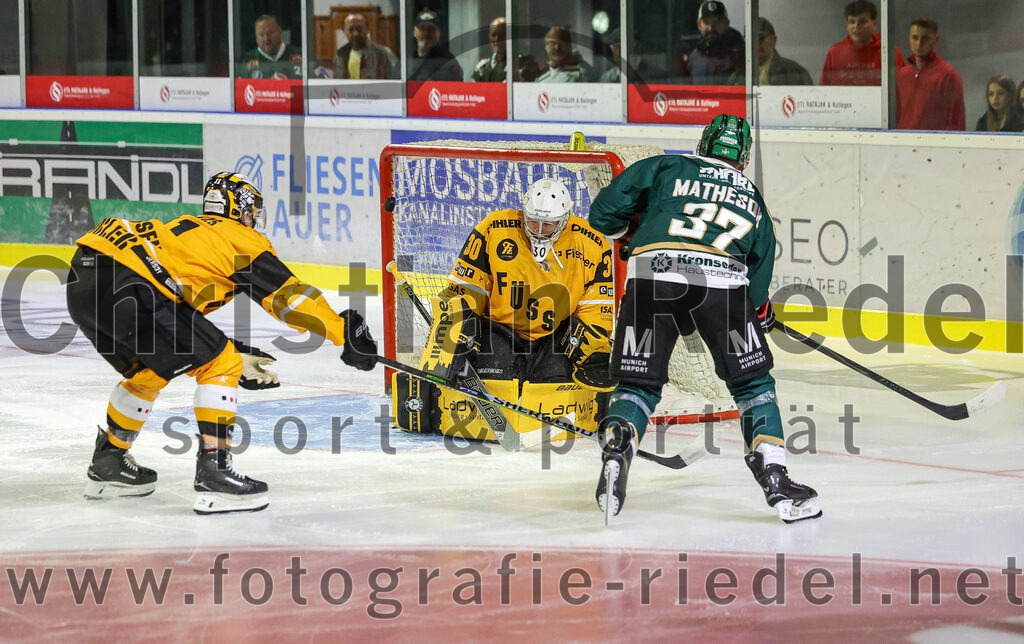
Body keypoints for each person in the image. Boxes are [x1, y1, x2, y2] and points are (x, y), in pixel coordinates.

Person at [66, 172, 378, 514]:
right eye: (251, 211)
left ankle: (109, 462)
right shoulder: (238, 238)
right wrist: (341, 330)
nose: (253, 219)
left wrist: (229, 349)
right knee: (221, 364)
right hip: (131, 283)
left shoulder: (191, 229)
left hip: (85, 277)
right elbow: (286, 297)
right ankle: (215, 473)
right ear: (240, 209)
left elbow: (176, 319)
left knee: (151, 371)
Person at [588, 114, 822, 525]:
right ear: (744, 159)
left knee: (638, 386)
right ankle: (777, 479)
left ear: (702, 145)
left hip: (652, 278)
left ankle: (619, 445)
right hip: (723, 288)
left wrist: (632, 229)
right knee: (753, 385)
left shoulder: (666, 166)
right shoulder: (752, 197)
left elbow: (602, 213)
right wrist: (758, 310)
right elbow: (758, 276)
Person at [397, 179, 616, 441]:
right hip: (499, 330)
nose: (539, 231)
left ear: (565, 217)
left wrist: (592, 347)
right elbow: (466, 287)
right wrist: (455, 331)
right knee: (492, 367)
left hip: (556, 337)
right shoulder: (494, 228)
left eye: (548, 224)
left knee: (559, 373)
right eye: (533, 221)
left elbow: (596, 307)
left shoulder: (592, 243)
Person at [895, 17, 965, 131]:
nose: (919, 43)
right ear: (909, 38)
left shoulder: (948, 76)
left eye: (925, 38)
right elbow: (895, 116)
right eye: (915, 38)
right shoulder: (901, 75)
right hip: (903, 144)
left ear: (935, 40)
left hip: (933, 145)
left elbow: (956, 122)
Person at [820, 1, 904, 86]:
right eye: (852, 22)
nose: (856, 26)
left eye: (862, 22)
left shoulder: (889, 51)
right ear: (847, 25)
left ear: (874, 24)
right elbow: (823, 92)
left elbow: (902, 88)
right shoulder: (835, 52)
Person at [741, 17, 812, 86]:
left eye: (760, 38)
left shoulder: (796, 73)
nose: (755, 44)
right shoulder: (737, 75)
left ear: (773, 40)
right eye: (749, 39)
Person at [688, 0, 744, 85]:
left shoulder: (739, 57)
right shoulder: (693, 57)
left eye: (717, 22)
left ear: (726, 24)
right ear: (699, 24)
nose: (711, 28)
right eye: (706, 22)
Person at [333, 12, 398, 79]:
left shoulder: (384, 54)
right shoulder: (339, 57)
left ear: (367, 29)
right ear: (344, 31)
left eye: (359, 29)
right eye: (351, 29)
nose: (355, 34)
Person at [240, 14, 302, 79]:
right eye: (261, 35)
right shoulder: (247, 59)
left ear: (280, 32)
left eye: (270, 33)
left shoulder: (299, 54)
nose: (266, 39)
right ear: (256, 37)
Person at [409, 9, 463, 82]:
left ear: (438, 34)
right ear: (415, 32)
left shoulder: (447, 61)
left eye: (431, 29)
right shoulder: (406, 60)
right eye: (422, 28)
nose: (426, 33)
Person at [472, 16, 506, 82]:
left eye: (502, 35)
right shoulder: (482, 68)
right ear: (489, 37)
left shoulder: (518, 65)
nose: (497, 39)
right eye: (493, 35)